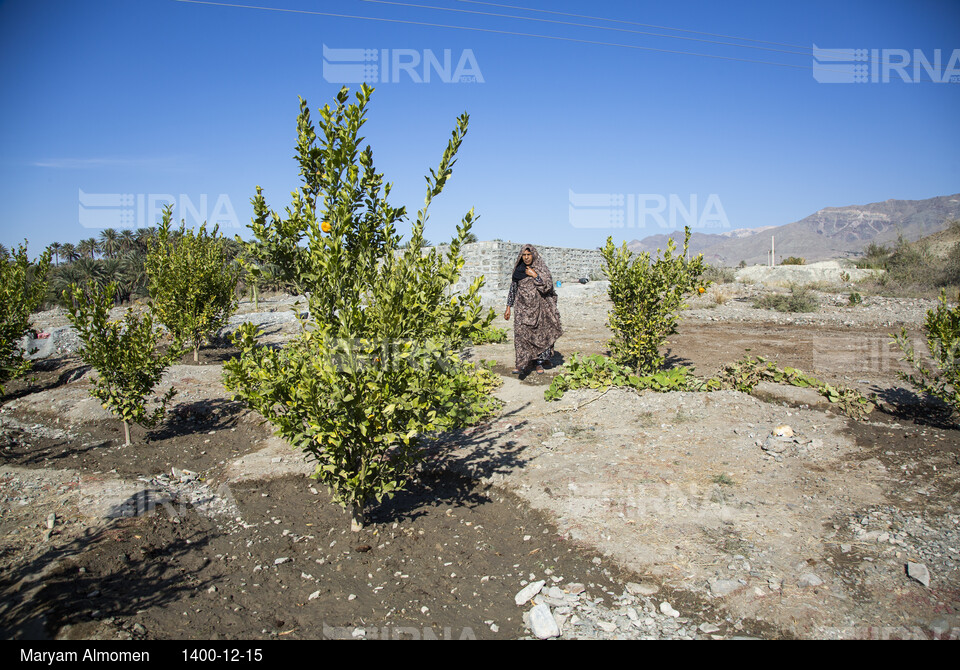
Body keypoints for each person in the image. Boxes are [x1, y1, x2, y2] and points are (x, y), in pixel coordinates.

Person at [503, 245, 563, 375]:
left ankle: (538, 363)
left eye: (528, 255)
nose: (526, 257)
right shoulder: (518, 271)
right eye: (524, 255)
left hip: (539, 309)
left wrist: (535, 275)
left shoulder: (541, 269)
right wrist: (508, 307)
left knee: (539, 335)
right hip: (521, 308)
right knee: (521, 335)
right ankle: (520, 364)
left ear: (533, 255)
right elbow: (513, 289)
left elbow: (547, 287)